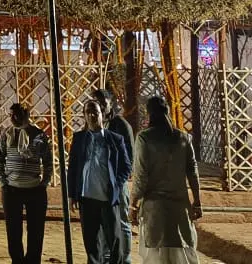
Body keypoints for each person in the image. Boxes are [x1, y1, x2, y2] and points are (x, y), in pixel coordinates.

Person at [130, 96, 203, 264]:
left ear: (149, 114)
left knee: (156, 257)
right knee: (182, 255)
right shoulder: (183, 138)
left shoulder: (144, 138)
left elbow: (141, 176)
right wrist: (197, 201)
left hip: (155, 211)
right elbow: (193, 172)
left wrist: (133, 204)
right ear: (168, 112)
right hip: (180, 210)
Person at [68, 100, 132, 264]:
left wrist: (116, 184)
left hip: (108, 198)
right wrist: (72, 195)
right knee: (91, 242)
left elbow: (126, 166)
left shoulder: (114, 139)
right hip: (87, 197)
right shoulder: (80, 139)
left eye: (95, 112)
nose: (91, 115)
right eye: (88, 112)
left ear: (102, 115)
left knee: (115, 240)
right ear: (84, 116)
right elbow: (73, 168)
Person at [0, 103, 53, 264]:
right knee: (13, 231)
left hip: (35, 190)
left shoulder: (38, 135)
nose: (13, 118)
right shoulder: (7, 135)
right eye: (11, 115)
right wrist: (3, 182)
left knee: (35, 231)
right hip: (12, 190)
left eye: (16, 115)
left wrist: (44, 182)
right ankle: (17, 261)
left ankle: (33, 261)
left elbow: (48, 161)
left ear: (25, 115)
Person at [94, 88, 136, 264]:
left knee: (122, 221)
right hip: (98, 184)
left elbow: (130, 160)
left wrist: (118, 183)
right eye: (98, 103)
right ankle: (105, 258)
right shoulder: (93, 125)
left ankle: (124, 258)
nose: (102, 106)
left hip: (117, 183)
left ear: (111, 102)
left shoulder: (121, 125)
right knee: (102, 222)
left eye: (104, 102)